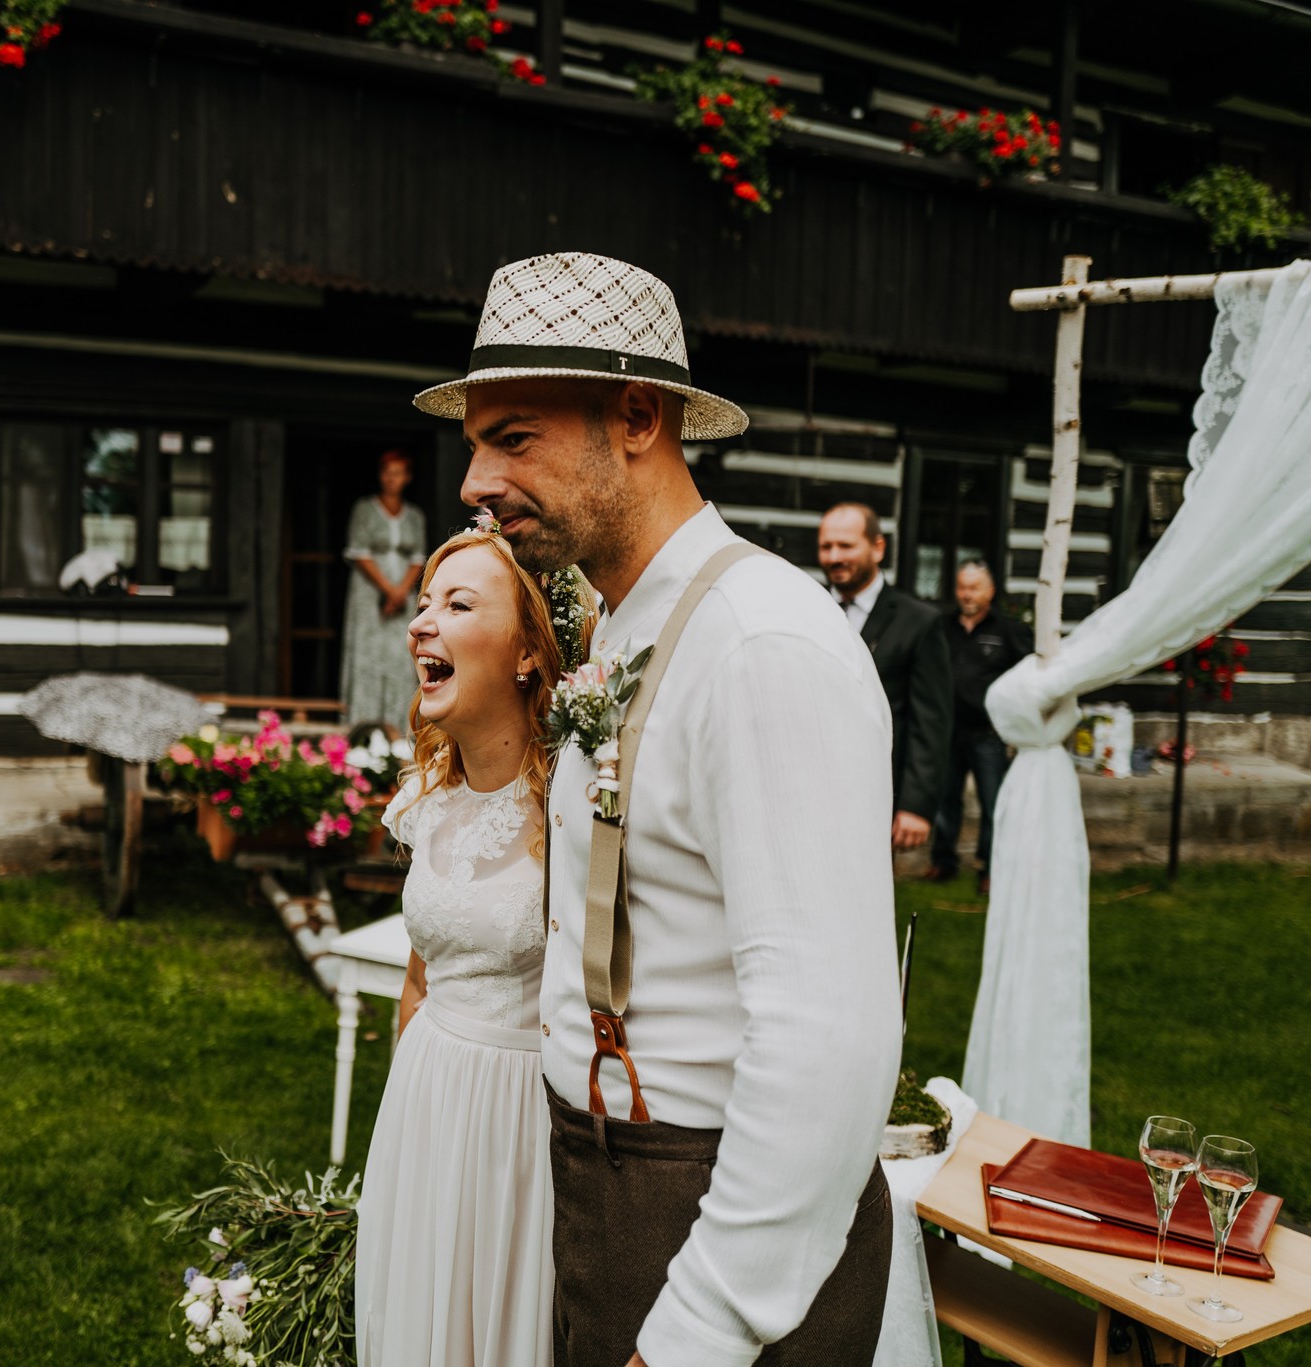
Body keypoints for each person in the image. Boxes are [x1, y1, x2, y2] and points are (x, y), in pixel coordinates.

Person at [421, 252, 900, 1367]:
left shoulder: (762, 644)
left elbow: (826, 1034)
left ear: (637, 417)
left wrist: (704, 1327)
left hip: (715, 1213)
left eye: (514, 437)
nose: (476, 481)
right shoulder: (623, 624)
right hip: (608, 1184)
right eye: (477, 444)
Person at [354, 521, 584, 1366]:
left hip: (524, 1128)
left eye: (456, 605)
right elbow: (420, 981)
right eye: (423, 604)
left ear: (527, 652)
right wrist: (409, 1115)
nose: (421, 623)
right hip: (425, 1104)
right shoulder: (428, 800)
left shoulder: (575, 812)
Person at [818, 503, 953, 856]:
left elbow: (931, 721)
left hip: (876, 790)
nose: (834, 557)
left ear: (877, 547)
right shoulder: (807, 606)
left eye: (846, 546)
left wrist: (916, 804)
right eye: (826, 546)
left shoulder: (919, 621)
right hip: (810, 783)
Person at [928, 560, 1031, 891]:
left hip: (988, 732)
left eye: (974, 588)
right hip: (949, 729)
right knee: (946, 799)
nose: (967, 594)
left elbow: (1026, 676)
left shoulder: (1007, 630)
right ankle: (943, 862)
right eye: (962, 587)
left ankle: (990, 867)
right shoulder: (942, 627)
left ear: (990, 591)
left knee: (993, 802)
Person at [340, 450, 426, 729]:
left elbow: (418, 557)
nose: (392, 479)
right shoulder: (364, 509)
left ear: (407, 478)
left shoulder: (414, 516)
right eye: (387, 473)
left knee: (400, 654)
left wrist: (400, 592)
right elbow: (359, 552)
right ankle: (362, 726)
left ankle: (398, 727)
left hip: (403, 595)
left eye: (398, 473)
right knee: (369, 654)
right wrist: (389, 590)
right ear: (380, 475)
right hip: (369, 593)